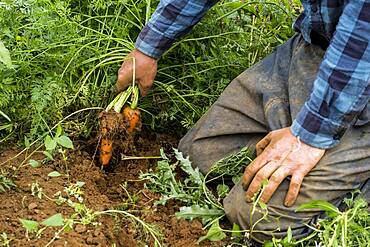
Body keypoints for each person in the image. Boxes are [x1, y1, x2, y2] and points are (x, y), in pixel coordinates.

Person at [116, 0, 370, 243]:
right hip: (317, 51)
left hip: (361, 70)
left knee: (259, 218)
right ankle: (301, 156)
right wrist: (148, 49)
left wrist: (308, 136)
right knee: (199, 155)